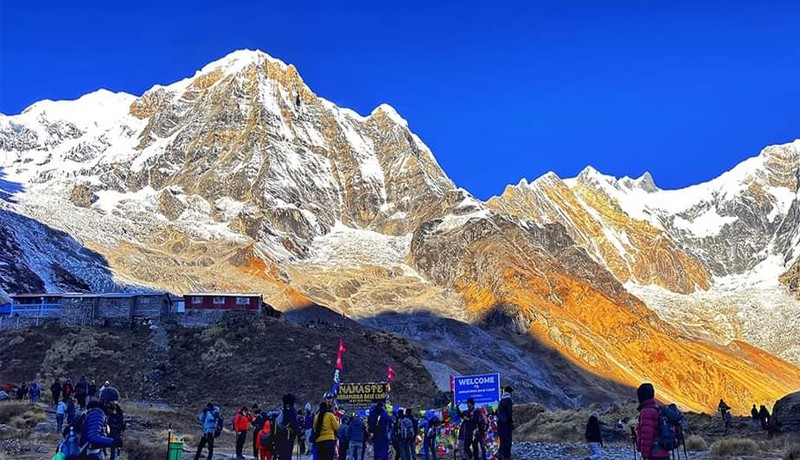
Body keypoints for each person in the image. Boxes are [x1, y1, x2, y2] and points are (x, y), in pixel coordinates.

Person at [79, 386, 123, 458]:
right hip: (88, 455)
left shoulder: (99, 413)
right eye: (114, 402)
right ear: (107, 401)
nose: (115, 405)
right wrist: (113, 442)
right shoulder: (97, 414)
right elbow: (93, 437)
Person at [636, 383, 670, 460]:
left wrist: (645, 456)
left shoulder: (646, 412)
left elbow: (647, 437)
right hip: (665, 453)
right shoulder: (658, 409)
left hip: (654, 454)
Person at [276, 394, 300, 460]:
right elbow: (294, 423)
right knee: (287, 456)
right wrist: (299, 433)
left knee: (282, 456)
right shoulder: (291, 410)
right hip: (288, 437)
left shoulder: (283, 409)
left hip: (280, 437)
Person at [497, 386, 514, 460]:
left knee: (502, 439)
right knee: (507, 439)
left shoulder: (501, 400)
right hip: (506, 423)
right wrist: (511, 422)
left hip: (500, 423)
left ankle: (500, 454)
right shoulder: (509, 400)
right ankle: (506, 456)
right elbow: (509, 413)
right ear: (510, 392)